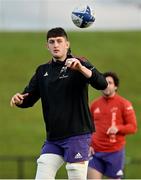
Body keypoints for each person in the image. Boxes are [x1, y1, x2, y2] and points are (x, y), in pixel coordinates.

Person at [10, 27, 107, 180]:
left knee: (75, 171)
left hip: (77, 134)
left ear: (67, 44)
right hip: (54, 137)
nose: (56, 45)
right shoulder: (42, 71)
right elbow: (28, 98)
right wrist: (20, 100)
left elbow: (102, 84)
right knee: (43, 169)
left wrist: (81, 69)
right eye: (51, 42)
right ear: (47, 46)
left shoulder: (80, 63)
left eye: (59, 41)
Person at [88, 71, 137, 179]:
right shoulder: (94, 105)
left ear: (115, 87)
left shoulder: (124, 104)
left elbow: (133, 127)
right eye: (104, 83)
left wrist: (118, 128)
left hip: (115, 152)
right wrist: (89, 144)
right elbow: (87, 127)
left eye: (110, 83)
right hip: (96, 153)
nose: (106, 85)